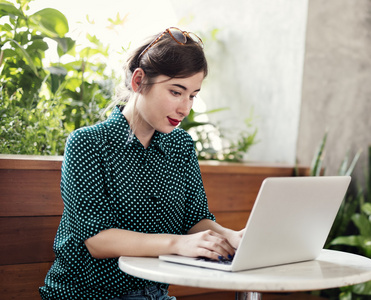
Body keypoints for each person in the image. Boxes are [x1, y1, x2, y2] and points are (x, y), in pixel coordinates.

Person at [39, 27, 244, 300]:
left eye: (193, 95)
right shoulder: (87, 144)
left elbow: (195, 219)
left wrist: (231, 237)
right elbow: (98, 240)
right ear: (138, 81)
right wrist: (179, 243)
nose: (185, 108)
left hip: (155, 294)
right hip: (88, 295)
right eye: (176, 92)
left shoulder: (181, 146)